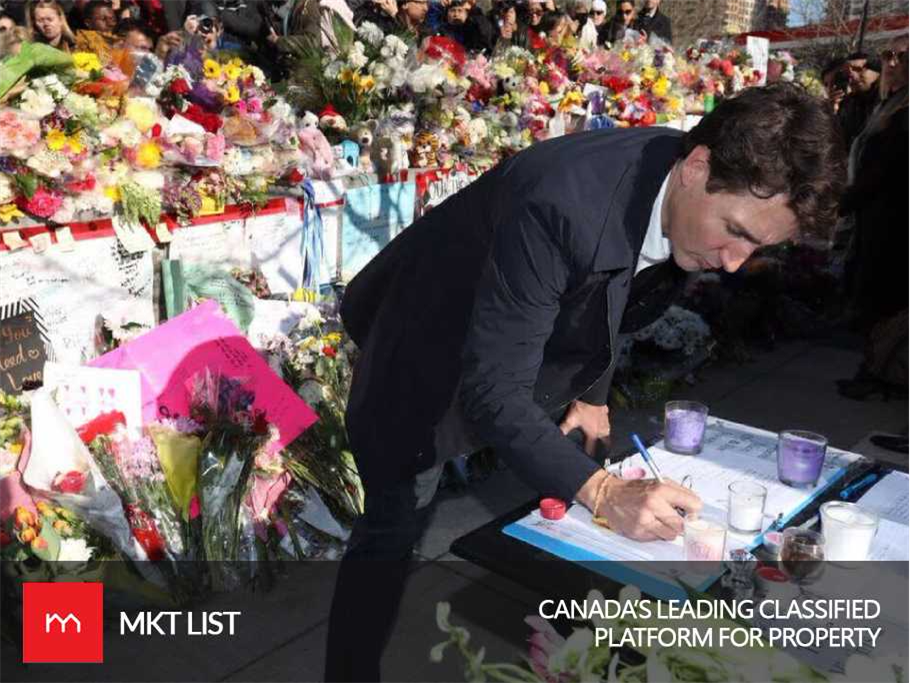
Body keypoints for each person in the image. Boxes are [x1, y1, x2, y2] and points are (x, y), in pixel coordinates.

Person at [324, 82, 846, 683]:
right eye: (736, 231)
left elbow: (615, 297)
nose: (733, 263)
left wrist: (592, 394)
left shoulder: (686, 199)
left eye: (757, 247)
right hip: (421, 351)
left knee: (570, 500)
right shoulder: (562, 204)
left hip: (520, 342)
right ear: (696, 166)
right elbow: (493, 388)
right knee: (392, 528)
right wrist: (601, 492)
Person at [838, 33, 910, 397]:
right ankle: (877, 367)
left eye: (902, 56)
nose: (892, 63)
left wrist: (845, 201)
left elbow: (887, 168)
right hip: (875, 215)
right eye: (889, 55)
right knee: (874, 293)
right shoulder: (891, 104)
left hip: (895, 218)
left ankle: (883, 371)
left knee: (885, 296)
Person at [838, 51, 881, 147]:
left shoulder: (888, 101)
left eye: (858, 69)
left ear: (877, 72)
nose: (852, 75)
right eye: (847, 72)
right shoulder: (846, 105)